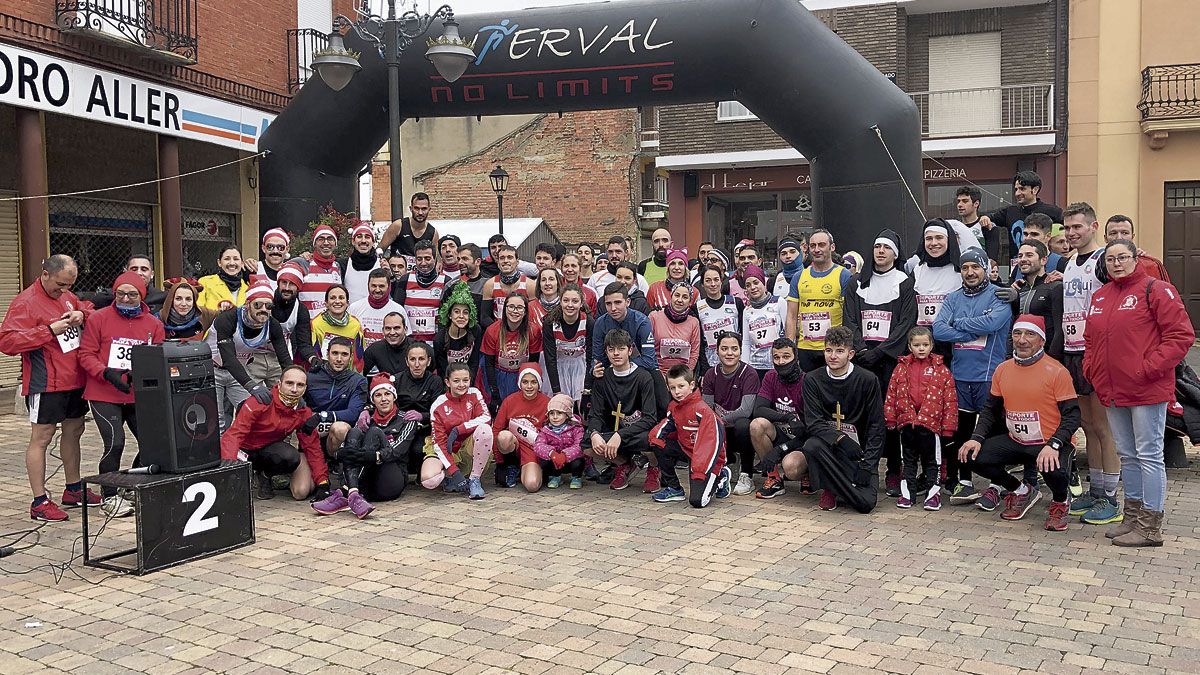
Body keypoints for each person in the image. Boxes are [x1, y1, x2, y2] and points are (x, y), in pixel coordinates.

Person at [1083, 239, 1193, 546]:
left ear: (1135, 259)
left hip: (1147, 389)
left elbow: (1181, 335)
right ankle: (1131, 517)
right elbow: (1090, 340)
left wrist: (1147, 368)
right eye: (1111, 259)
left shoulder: (1155, 289)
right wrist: (1091, 369)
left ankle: (1150, 526)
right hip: (1112, 389)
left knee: (1149, 455)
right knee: (1128, 456)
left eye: (1122, 257)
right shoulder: (1101, 296)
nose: (1116, 263)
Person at [958, 316, 1079, 531]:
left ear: (1042, 340)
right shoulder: (1003, 369)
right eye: (1017, 334)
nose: (1022, 340)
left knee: (1054, 468)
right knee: (969, 455)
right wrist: (976, 438)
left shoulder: (1057, 371)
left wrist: (1055, 444)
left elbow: (1072, 416)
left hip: (1047, 443)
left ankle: (1060, 500)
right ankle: (1022, 490)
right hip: (1016, 440)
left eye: (1030, 334)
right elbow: (990, 410)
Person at [0, 255, 97, 521]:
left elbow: (86, 306)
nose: (63, 290)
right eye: (59, 284)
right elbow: (7, 342)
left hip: (74, 378)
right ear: (45, 275)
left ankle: (74, 488)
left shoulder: (66, 295)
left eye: (68, 285)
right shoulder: (26, 302)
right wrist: (48, 331)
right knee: (42, 437)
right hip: (46, 382)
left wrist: (81, 313)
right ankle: (39, 500)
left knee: (75, 430)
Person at [79, 271, 166, 516]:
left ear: (142, 296)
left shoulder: (154, 324)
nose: (126, 299)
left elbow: (157, 356)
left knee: (153, 443)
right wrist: (106, 373)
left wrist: (143, 375)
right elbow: (85, 354)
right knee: (115, 443)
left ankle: (129, 484)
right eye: (120, 294)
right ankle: (108, 496)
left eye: (132, 294)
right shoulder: (99, 318)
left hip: (137, 393)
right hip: (103, 392)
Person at [933, 248, 1013, 505]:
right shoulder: (953, 298)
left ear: (985, 268)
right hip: (961, 376)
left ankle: (996, 484)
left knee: (993, 431)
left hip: (990, 375)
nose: (970, 272)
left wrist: (959, 323)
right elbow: (938, 330)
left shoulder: (998, 295)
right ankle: (965, 480)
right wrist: (967, 331)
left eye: (974, 267)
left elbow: (993, 324)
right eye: (965, 268)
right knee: (963, 431)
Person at [1060, 202, 1122, 525]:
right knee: (1086, 426)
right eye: (1067, 228)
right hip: (1073, 351)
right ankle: (1096, 490)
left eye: (1078, 227)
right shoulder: (1069, 263)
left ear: (1094, 227)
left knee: (1103, 426)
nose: (1071, 233)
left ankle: (1111, 496)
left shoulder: (1102, 262)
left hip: (1096, 353)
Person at [842, 229, 916, 495]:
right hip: (862, 358)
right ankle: (862, 465)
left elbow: (907, 321)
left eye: (886, 247)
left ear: (895, 254)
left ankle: (894, 470)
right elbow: (849, 318)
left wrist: (882, 351)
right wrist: (861, 348)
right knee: (860, 414)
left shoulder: (904, 282)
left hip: (889, 360)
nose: (880, 252)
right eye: (876, 247)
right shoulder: (856, 283)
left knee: (891, 416)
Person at [788, 326, 884, 513]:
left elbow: (876, 426)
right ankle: (830, 490)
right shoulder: (812, 379)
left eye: (839, 351)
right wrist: (840, 439)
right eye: (829, 350)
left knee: (866, 505)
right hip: (829, 449)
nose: (833, 356)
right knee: (812, 446)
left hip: (859, 453)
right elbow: (814, 422)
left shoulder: (868, 380)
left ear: (851, 354)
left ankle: (841, 487)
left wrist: (868, 464)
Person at [221, 366, 325, 501]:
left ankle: (265, 476)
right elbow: (235, 435)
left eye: (300, 385)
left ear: (305, 388)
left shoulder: (304, 412)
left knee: (291, 457)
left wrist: (323, 483)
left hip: (267, 452)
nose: (294, 389)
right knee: (233, 492)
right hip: (243, 450)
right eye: (289, 383)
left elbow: (313, 448)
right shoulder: (259, 401)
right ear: (279, 384)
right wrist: (229, 464)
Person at [310, 374, 407, 518]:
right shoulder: (365, 420)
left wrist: (373, 455)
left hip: (389, 479)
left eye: (387, 394)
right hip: (365, 481)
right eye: (378, 395)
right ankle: (353, 494)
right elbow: (350, 449)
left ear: (394, 397)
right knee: (355, 432)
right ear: (373, 400)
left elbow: (396, 452)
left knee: (374, 432)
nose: (384, 399)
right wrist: (341, 453)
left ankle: (344, 493)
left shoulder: (406, 419)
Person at [883, 327, 957, 510]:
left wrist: (948, 427)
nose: (921, 348)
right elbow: (891, 395)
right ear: (909, 346)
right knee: (907, 461)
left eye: (925, 344)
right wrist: (891, 419)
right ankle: (907, 493)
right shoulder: (900, 368)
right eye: (917, 345)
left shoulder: (942, 370)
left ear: (932, 345)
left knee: (932, 461)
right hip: (907, 423)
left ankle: (933, 494)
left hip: (931, 425)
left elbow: (950, 400)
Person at [206, 280, 293, 430]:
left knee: (252, 413)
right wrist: (252, 386)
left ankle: (247, 450)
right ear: (247, 305)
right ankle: (219, 453)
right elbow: (228, 358)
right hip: (212, 370)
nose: (264, 310)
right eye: (258, 305)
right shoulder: (227, 318)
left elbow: (284, 358)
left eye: (269, 306)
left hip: (238, 372)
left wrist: (296, 382)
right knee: (216, 420)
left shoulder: (272, 324)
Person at [648, 364, 733, 506]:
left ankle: (721, 477)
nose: (677, 392)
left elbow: (709, 447)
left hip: (709, 460)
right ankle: (674, 488)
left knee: (697, 502)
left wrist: (699, 472)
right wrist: (653, 438)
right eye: (673, 388)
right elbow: (666, 425)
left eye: (681, 386)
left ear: (691, 385)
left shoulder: (703, 411)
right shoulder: (674, 407)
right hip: (688, 453)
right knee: (658, 443)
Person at [587, 329, 659, 491]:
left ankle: (654, 468)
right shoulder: (602, 379)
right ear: (606, 352)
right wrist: (594, 433)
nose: (616, 353)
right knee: (587, 444)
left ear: (630, 350)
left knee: (649, 440)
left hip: (639, 431)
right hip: (616, 431)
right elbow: (596, 414)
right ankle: (624, 464)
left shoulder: (643, 377)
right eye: (611, 349)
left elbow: (650, 418)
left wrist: (619, 435)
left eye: (621, 349)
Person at [301, 337, 368, 501]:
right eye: (335, 353)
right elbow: (299, 404)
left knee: (340, 427)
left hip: (336, 435)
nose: (339, 359)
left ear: (350, 357)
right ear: (327, 354)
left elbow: (353, 412)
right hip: (311, 434)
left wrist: (323, 416)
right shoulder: (310, 377)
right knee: (300, 491)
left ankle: (337, 465)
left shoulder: (358, 381)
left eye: (344, 354)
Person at [701, 332, 760, 496]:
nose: (729, 353)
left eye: (734, 349)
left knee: (743, 424)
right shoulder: (710, 375)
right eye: (724, 348)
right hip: (721, 428)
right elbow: (707, 407)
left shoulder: (749, 373)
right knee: (705, 423)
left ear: (741, 351)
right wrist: (714, 422)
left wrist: (719, 420)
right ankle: (728, 462)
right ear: (717, 351)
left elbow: (746, 410)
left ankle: (746, 474)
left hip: (740, 429)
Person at [786, 229, 853, 371]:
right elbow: (791, 316)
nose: (817, 250)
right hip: (805, 349)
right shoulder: (799, 277)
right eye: (813, 246)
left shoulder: (843, 275)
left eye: (821, 245)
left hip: (833, 349)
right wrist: (789, 348)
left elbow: (849, 317)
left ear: (832, 247)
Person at [750, 339, 807, 499]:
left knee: (791, 468)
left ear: (796, 357)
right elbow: (759, 409)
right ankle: (773, 478)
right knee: (756, 425)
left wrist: (780, 450)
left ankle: (807, 473)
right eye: (776, 358)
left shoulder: (807, 381)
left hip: (804, 440)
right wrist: (787, 417)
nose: (781, 362)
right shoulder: (770, 376)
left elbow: (811, 431)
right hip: (782, 432)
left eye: (786, 357)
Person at [427, 362, 493, 500]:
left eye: (465, 380)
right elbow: (439, 442)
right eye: (456, 381)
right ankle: (452, 478)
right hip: (448, 450)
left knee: (485, 430)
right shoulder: (438, 405)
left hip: (470, 447)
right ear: (447, 382)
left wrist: (458, 430)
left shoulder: (474, 393)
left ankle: (474, 480)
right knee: (430, 480)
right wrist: (454, 471)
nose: (462, 384)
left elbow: (486, 418)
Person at [977, 171, 1064, 266]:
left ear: (1035, 190)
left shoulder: (1053, 212)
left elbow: (1069, 233)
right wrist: (985, 218)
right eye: (1016, 189)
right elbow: (989, 217)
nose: (1018, 193)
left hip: (1046, 265)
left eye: (1022, 189)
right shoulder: (1010, 211)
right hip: (1017, 266)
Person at [911, 219, 966, 363]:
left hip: (952, 347)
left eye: (939, 237)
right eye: (929, 238)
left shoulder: (961, 272)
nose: (934, 243)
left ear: (949, 240)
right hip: (921, 348)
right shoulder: (917, 270)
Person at [493, 364, 550, 491]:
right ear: (520, 383)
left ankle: (533, 470)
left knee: (532, 485)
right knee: (503, 437)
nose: (529, 386)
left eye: (533, 382)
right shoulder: (509, 401)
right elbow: (496, 430)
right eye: (525, 382)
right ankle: (510, 466)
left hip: (533, 449)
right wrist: (499, 462)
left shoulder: (547, 403)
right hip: (514, 445)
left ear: (539, 383)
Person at [482, 293, 542, 403]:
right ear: (504, 309)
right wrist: (494, 391)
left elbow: (533, 362)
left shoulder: (533, 331)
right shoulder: (492, 331)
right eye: (511, 307)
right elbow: (488, 364)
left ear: (525, 312)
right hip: (498, 374)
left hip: (521, 376)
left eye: (519, 308)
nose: (515, 311)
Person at [1012, 240, 1065, 361]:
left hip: (1047, 358)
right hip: (1021, 356)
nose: (1023, 259)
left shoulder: (1055, 287)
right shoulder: (1018, 289)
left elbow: (1059, 330)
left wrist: (1052, 359)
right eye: (1020, 256)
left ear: (1043, 260)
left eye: (1029, 255)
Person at [390, 238, 450, 343]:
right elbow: (397, 312)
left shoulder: (446, 281)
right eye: (419, 259)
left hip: (435, 343)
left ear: (434, 258)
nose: (423, 263)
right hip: (409, 343)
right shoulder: (405, 280)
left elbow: (447, 316)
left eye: (427, 258)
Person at [542, 284, 591, 404]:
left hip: (580, 366)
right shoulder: (550, 323)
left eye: (575, 301)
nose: (570, 305)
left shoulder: (589, 322)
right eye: (566, 300)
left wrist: (587, 388)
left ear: (581, 303)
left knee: (581, 408)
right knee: (559, 406)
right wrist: (556, 390)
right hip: (557, 366)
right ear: (560, 301)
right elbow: (550, 358)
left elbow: (591, 356)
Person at [740, 264, 787, 381]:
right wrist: (744, 367)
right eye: (748, 285)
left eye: (756, 283)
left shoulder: (779, 302)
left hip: (777, 363)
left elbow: (788, 331)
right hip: (755, 365)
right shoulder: (747, 311)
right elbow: (746, 342)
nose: (753, 287)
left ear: (763, 283)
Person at [696, 265, 743, 374]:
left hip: (736, 362)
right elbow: (700, 343)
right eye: (708, 280)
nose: (713, 284)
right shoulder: (697, 308)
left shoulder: (736, 303)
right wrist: (704, 369)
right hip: (711, 364)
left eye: (716, 279)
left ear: (721, 281)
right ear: (702, 284)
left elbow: (744, 334)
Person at [533, 394, 586, 489]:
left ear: (567, 415)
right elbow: (538, 445)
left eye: (559, 413)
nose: (555, 417)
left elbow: (579, 445)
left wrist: (565, 455)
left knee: (578, 462)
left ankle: (576, 477)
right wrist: (551, 453)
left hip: (570, 460)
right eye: (551, 413)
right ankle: (555, 476)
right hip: (555, 460)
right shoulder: (546, 429)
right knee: (544, 461)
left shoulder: (576, 428)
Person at [290, 224, 344, 318]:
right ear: (314, 243)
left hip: (332, 327)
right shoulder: (302, 263)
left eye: (330, 239)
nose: (326, 243)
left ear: (335, 244)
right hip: (308, 327)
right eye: (321, 239)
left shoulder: (338, 266)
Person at [272, 262, 320, 367]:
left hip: (280, 358)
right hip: (256, 355)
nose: (287, 288)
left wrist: (313, 358)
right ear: (278, 283)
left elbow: (303, 343)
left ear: (298, 287)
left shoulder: (301, 310)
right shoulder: (267, 301)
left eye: (292, 284)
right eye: (284, 282)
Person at [649, 283, 700, 379]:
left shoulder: (694, 322)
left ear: (690, 302)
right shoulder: (654, 317)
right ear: (671, 297)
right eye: (677, 295)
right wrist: (658, 374)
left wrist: (684, 376)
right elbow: (648, 349)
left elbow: (694, 353)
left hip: (682, 376)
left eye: (685, 297)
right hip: (657, 373)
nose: (680, 300)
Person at [88, 254, 167, 314]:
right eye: (134, 269)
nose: (139, 273)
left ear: (152, 274)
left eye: (144, 269)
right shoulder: (107, 296)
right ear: (126, 272)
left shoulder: (162, 298)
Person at [433, 283, 482, 378]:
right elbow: (442, 371)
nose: (461, 316)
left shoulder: (476, 330)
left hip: (469, 379)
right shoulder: (439, 339)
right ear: (449, 315)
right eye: (456, 312)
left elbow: (474, 362)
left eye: (465, 312)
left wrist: (468, 384)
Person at [349, 268, 407, 349]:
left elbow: (405, 340)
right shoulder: (354, 308)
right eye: (373, 286)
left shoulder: (398, 310)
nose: (377, 290)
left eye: (381, 286)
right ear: (368, 285)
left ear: (389, 286)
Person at [311, 285, 365, 371]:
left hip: (347, 377)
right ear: (326, 303)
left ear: (347, 303)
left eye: (341, 298)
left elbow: (358, 358)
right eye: (332, 298)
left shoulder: (355, 324)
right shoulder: (316, 324)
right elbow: (314, 354)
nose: (337, 301)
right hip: (322, 374)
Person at [1104, 215, 1170, 282]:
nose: (1119, 237)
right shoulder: (1095, 263)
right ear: (1105, 238)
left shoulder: (1150, 265)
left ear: (1132, 236)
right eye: (1113, 233)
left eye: (1125, 233)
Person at [482, 245, 536, 322]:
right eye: (502, 258)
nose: (505, 261)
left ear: (517, 262)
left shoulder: (530, 285)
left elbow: (533, 316)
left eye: (510, 257)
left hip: (523, 331)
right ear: (498, 262)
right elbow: (485, 317)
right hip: (499, 331)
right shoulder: (490, 285)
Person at [380, 192, 439, 263]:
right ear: (411, 209)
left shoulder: (433, 233)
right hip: (397, 271)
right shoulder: (398, 226)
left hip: (420, 272)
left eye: (424, 209)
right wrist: (383, 263)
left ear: (429, 209)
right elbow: (380, 248)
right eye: (417, 208)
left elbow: (435, 259)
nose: (420, 213)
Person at [339, 222, 384, 304]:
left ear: (373, 242)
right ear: (353, 241)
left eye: (367, 237)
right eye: (359, 237)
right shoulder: (343, 265)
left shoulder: (382, 264)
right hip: (350, 315)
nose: (363, 241)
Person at [197, 246, 249, 312]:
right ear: (219, 262)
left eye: (236, 259)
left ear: (242, 263)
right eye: (227, 259)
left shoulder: (247, 288)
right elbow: (198, 312)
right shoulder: (205, 282)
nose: (232, 263)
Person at [956, 186, 997, 261]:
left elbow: (992, 259)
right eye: (958, 201)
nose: (960, 205)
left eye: (965, 201)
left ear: (976, 204)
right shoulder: (954, 228)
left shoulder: (987, 226)